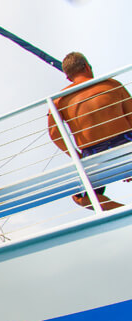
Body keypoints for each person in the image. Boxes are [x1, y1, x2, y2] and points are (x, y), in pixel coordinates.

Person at [47, 52, 132, 211]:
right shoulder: (112, 84)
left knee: (81, 198)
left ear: (68, 77)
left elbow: (54, 134)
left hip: (94, 153)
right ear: (87, 66)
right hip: (126, 142)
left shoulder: (59, 100)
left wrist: (77, 157)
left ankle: (122, 211)